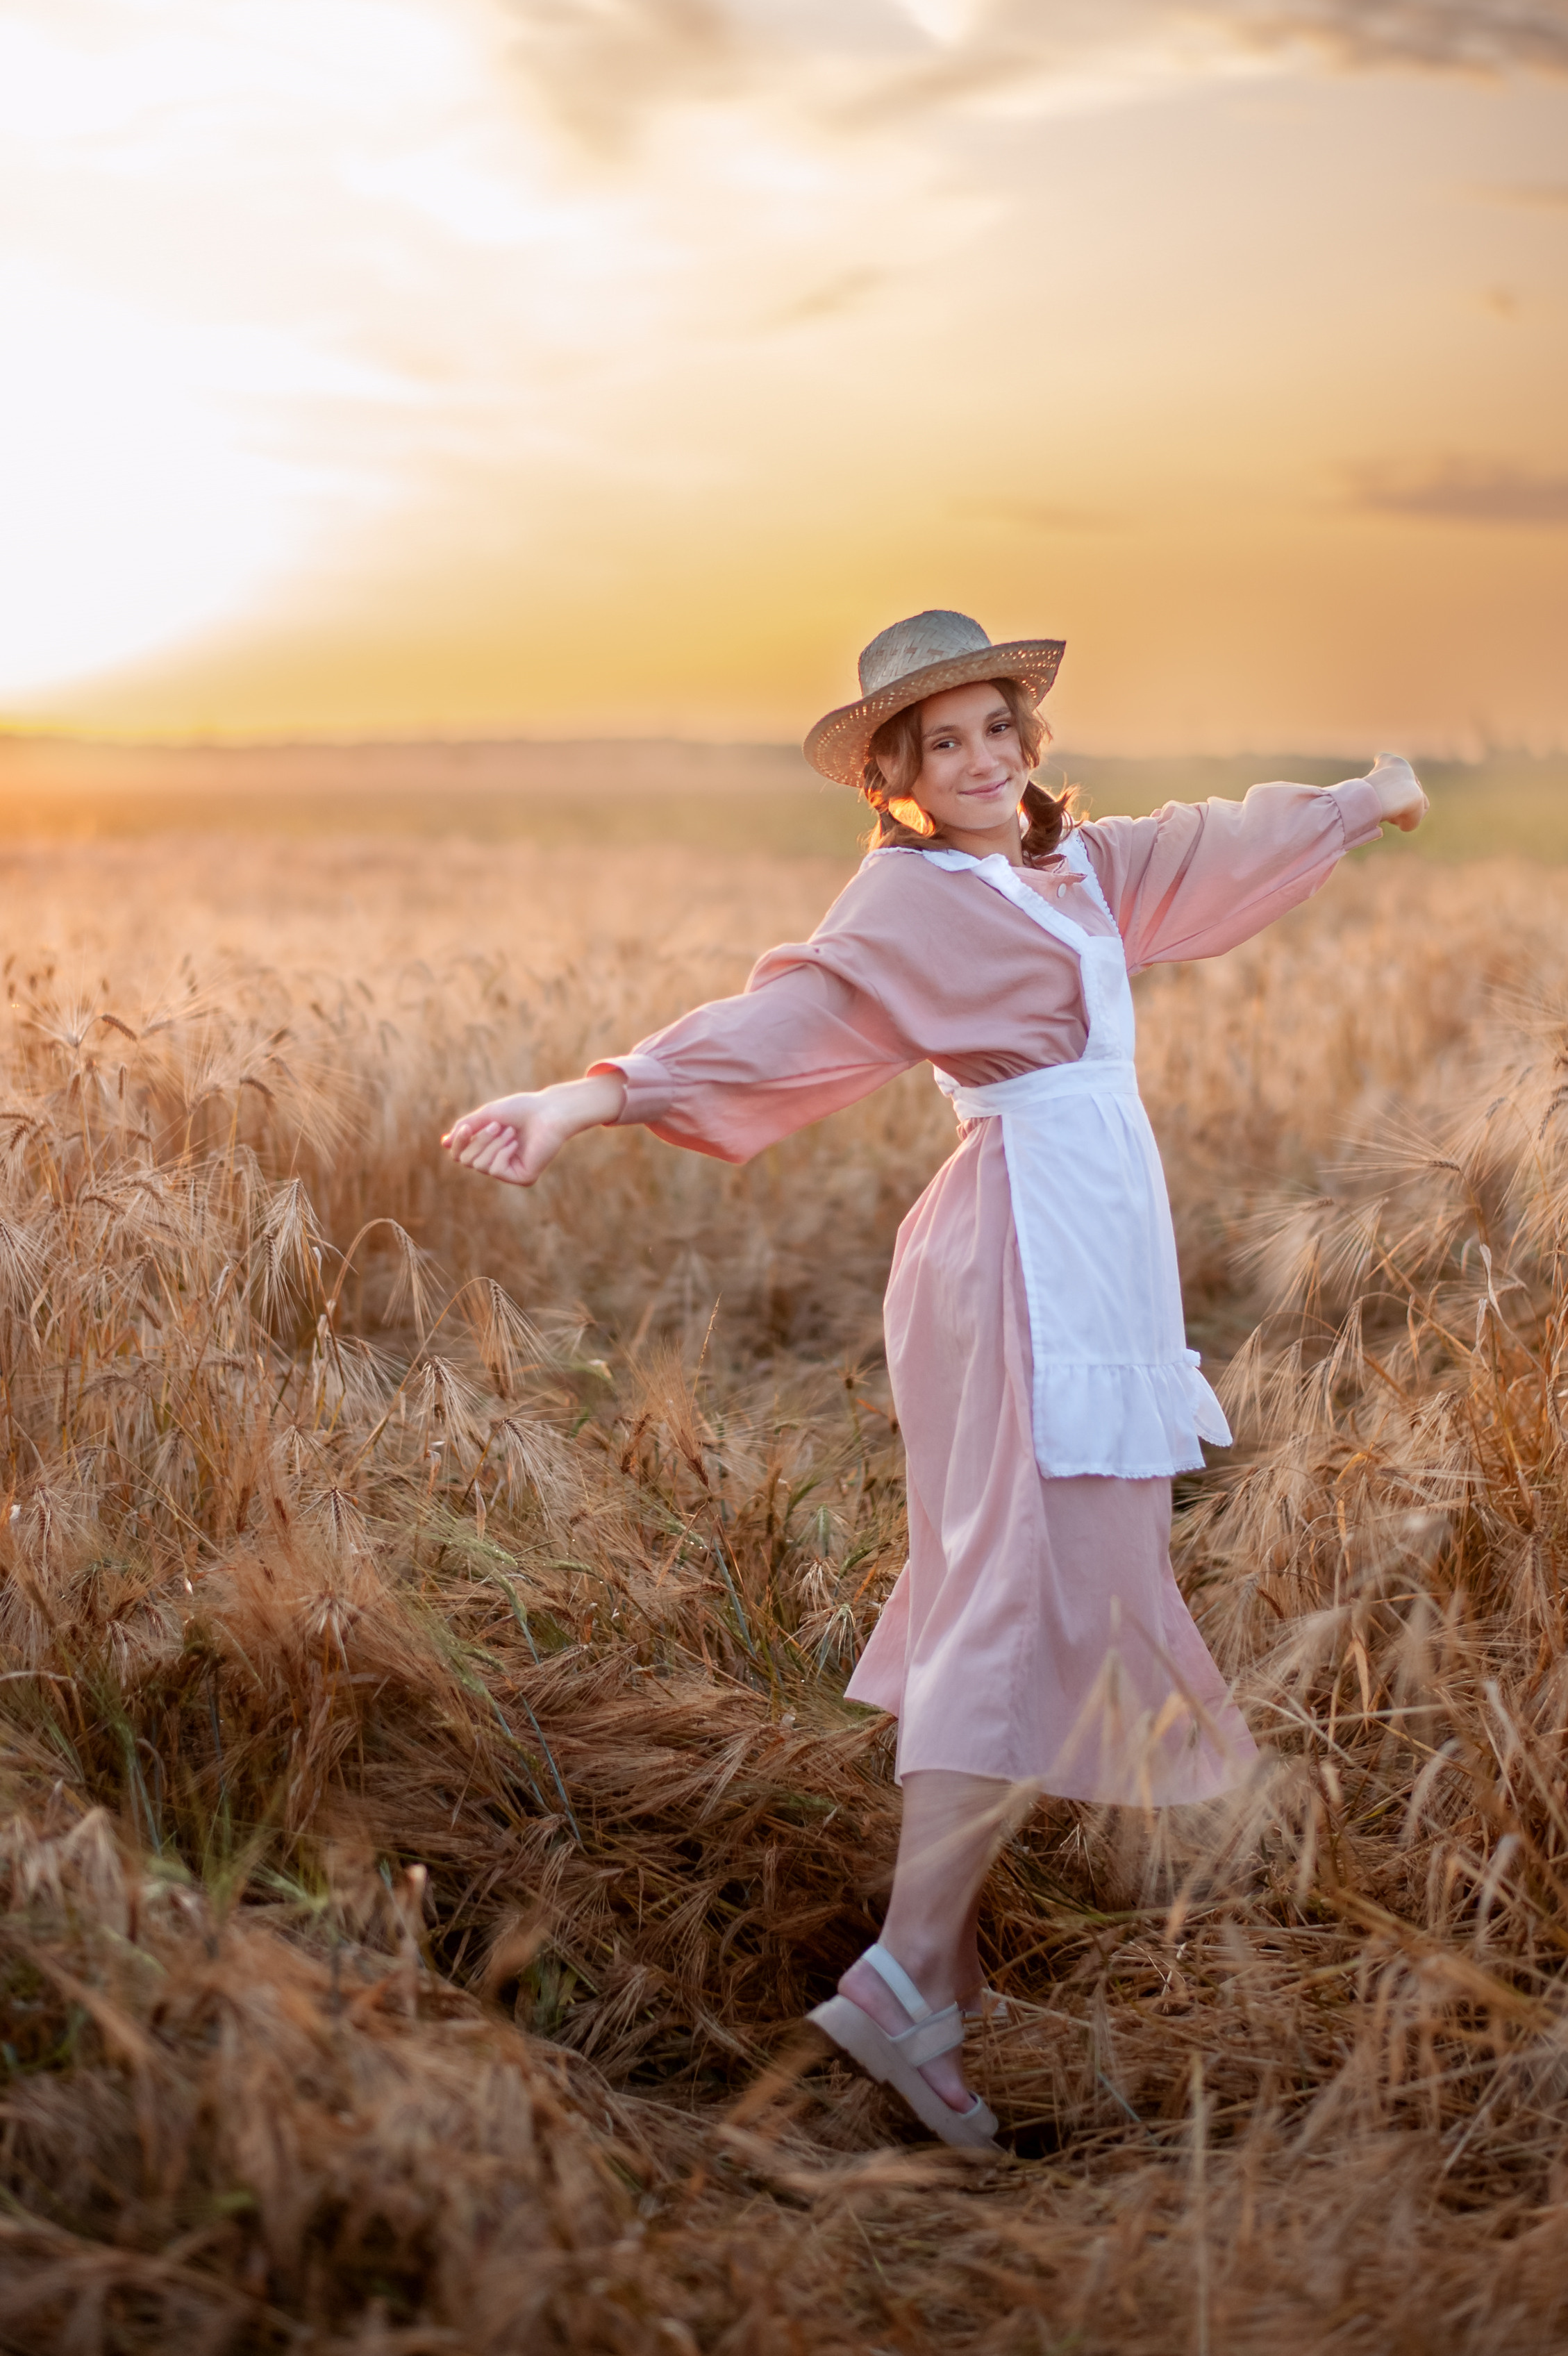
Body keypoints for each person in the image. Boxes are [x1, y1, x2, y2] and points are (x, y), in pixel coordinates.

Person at [442, 609, 1428, 2150]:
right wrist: (589, 1096)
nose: (976, 762)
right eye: (939, 743)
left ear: (1025, 743)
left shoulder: (1064, 869)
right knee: (1036, 1589)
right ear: (892, 773)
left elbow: (1197, 850)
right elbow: (788, 1015)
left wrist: (1363, 799)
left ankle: (940, 1977)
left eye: (993, 731)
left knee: (1015, 1581)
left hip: (1089, 1246)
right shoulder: (903, 900)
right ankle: (908, 1973)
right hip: (1018, 1253)